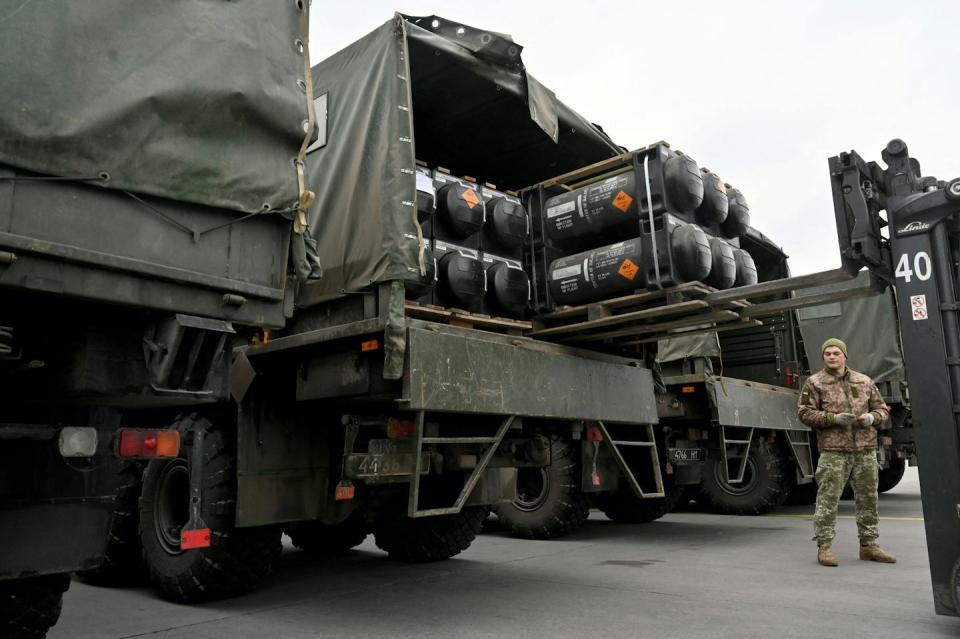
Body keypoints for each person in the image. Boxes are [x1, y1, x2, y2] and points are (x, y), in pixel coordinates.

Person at [797, 338, 896, 567]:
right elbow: (804, 413)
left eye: (836, 353)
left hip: (865, 449)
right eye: (828, 353)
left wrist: (873, 418)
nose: (832, 357)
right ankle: (825, 547)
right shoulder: (815, 383)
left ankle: (869, 545)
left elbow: (882, 409)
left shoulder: (864, 381)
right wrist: (833, 419)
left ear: (844, 356)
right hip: (834, 451)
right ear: (823, 357)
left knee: (869, 499)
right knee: (827, 500)